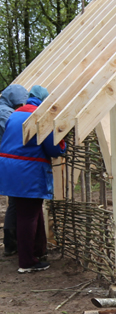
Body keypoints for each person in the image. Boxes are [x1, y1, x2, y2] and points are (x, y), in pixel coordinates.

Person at [0, 85, 66, 273]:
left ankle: (38, 252)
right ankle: (27, 262)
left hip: (10, 169)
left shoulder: (16, 114)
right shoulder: (40, 116)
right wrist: (63, 144)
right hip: (28, 171)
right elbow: (53, 149)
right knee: (27, 216)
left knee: (32, 211)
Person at [0, 84, 29, 257]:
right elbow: (15, 135)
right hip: (9, 160)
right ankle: (10, 243)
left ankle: (11, 243)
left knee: (14, 201)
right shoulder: (5, 114)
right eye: (19, 104)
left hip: (6, 160)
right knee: (16, 202)